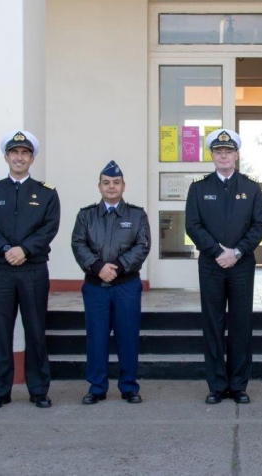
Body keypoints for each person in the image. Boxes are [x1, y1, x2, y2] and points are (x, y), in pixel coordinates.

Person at [0, 130, 61, 409]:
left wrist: (24, 249)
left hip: (33, 269)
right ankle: (0, 391)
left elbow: (49, 226)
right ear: (6, 157)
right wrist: (5, 249)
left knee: (35, 330)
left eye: (25, 153)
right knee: (2, 331)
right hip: (1, 269)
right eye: (15, 153)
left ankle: (38, 390)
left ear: (32, 158)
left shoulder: (46, 192)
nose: (19, 158)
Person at [185, 128, 262, 404]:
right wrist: (217, 251)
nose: (223, 155)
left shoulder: (251, 187)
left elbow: (259, 226)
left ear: (236, 155)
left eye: (228, 151)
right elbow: (192, 225)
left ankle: (239, 385)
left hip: (242, 264)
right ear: (212, 155)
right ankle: (217, 385)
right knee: (213, 323)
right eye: (218, 152)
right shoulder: (199, 188)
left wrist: (238, 251)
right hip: (211, 264)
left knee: (242, 324)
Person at [71, 160, 151, 405]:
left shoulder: (137, 215)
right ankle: (97, 387)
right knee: (96, 337)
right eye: (106, 183)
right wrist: (98, 267)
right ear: (99, 187)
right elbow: (78, 244)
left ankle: (129, 386)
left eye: (116, 182)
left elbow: (143, 245)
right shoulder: (86, 215)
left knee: (127, 337)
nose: (111, 187)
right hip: (96, 287)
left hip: (126, 285)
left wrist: (116, 268)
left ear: (123, 186)